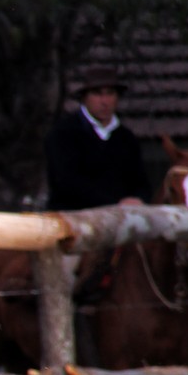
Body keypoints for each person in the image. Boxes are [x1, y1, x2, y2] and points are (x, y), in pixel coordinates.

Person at [44, 65, 151, 302]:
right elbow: (65, 184)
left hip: (121, 226)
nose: (105, 100)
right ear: (85, 97)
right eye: (98, 93)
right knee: (62, 282)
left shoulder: (127, 139)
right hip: (74, 225)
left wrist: (138, 200)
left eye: (110, 93)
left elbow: (142, 183)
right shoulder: (63, 134)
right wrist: (115, 202)